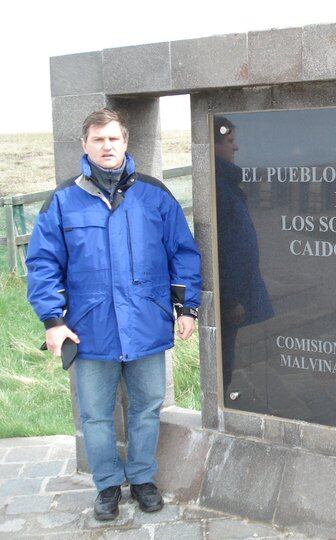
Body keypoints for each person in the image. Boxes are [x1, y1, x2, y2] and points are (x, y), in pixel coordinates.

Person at [25, 108, 202, 521]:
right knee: (96, 415)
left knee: (146, 406)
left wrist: (186, 307)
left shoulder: (155, 195)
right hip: (90, 330)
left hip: (145, 323)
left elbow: (183, 252)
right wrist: (53, 321)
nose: (107, 146)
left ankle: (141, 478)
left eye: (114, 139)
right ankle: (106, 484)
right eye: (99, 139)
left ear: (126, 143)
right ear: (85, 145)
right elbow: (43, 263)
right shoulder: (64, 201)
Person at [213, 116, 273, 398]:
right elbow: (223, 247)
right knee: (224, 358)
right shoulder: (219, 189)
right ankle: (224, 400)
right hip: (231, 297)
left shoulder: (225, 184)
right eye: (229, 142)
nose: (235, 148)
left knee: (230, 356)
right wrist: (230, 299)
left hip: (235, 294)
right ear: (212, 147)